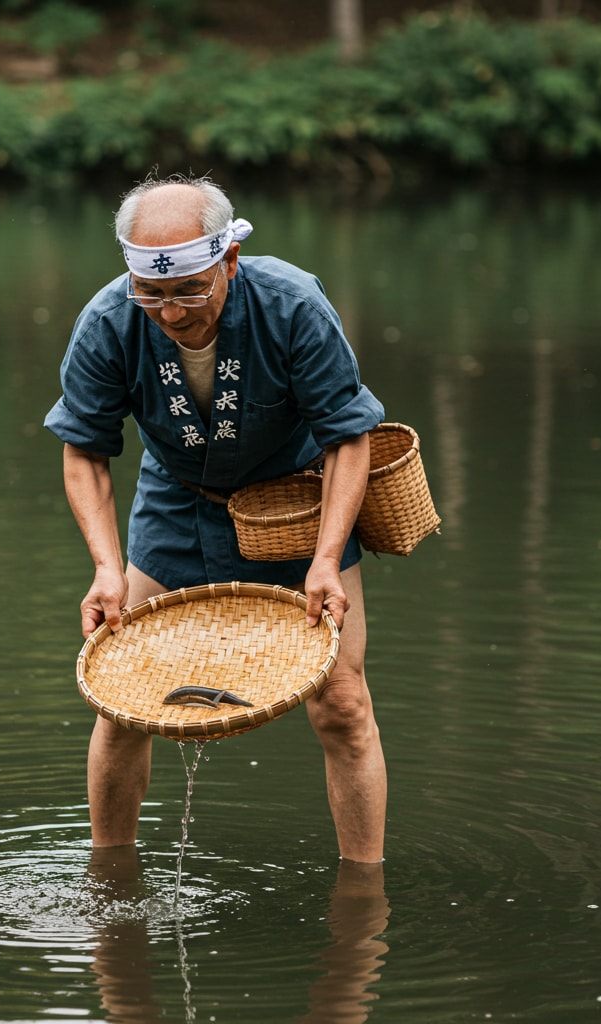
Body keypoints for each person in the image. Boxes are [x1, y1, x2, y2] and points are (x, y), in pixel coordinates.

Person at [44, 173, 387, 863]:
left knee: (343, 705)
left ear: (229, 259)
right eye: (154, 294)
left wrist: (326, 560)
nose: (171, 313)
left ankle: (363, 889)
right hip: (178, 501)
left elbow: (348, 437)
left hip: (298, 508)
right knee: (121, 702)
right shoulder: (110, 321)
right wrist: (107, 569)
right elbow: (84, 451)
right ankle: (111, 877)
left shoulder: (290, 305)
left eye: (190, 290)